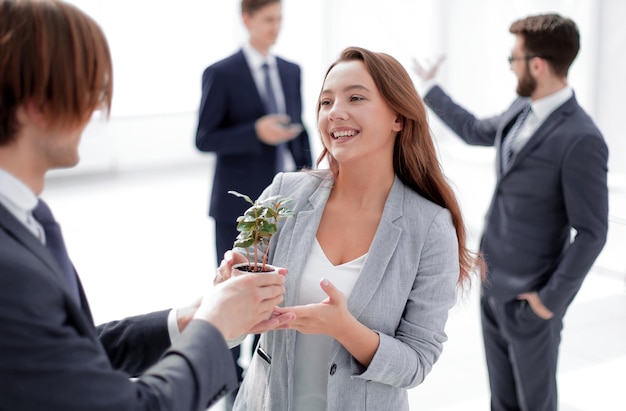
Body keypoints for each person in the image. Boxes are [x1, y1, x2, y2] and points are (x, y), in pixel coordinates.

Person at [0, 1, 292, 410]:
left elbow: (69, 354)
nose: (97, 107)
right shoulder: (9, 269)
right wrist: (213, 326)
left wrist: (187, 322)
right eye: (89, 86)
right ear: (39, 103)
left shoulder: (32, 217)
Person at [214, 46, 483, 410]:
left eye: (355, 97)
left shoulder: (431, 227)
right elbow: (227, 330)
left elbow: (416, 363)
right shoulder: (282, 194)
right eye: (325, 102)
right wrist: (227, 297)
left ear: (398, 118)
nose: (335, 112)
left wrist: (344, 327)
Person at [413, 13, 609, 411]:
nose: (510, 67)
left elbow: (592, 232)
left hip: (531, 300)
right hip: (493, 286)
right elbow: (472, 131)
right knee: (501, 401)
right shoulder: (521, 109)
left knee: (535, 403)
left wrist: (548, 302)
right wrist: (431, 88)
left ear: (537, 64)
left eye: (513, 59)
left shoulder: (582, 138)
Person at [194, 0, 312, 401]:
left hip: (284, 205)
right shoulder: (221, 73)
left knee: (272, 288)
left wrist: (312, 177)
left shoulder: (291, 71)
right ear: (246, 19)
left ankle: (255, 366)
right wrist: (254, 133)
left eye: (280, 20)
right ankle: (229, 378)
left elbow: (300, 131)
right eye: (267, 20)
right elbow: (204, 138)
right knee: (232, 289)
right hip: (236, 208)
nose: (275, 28)